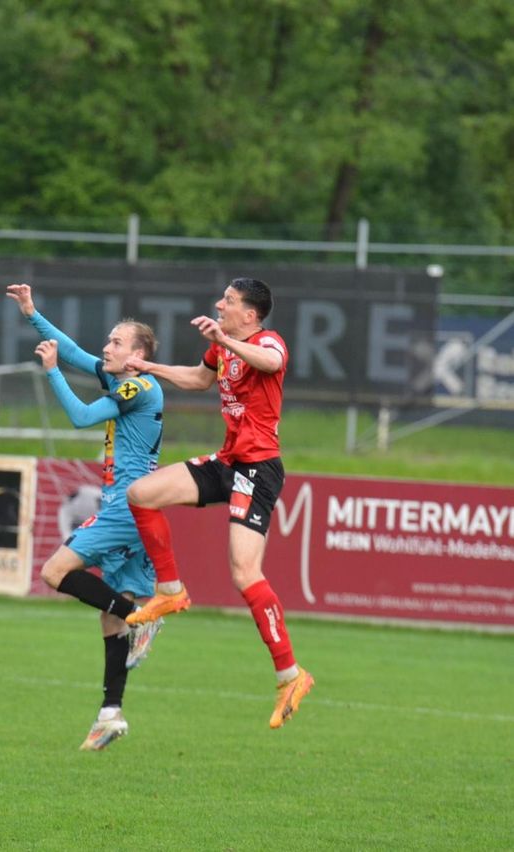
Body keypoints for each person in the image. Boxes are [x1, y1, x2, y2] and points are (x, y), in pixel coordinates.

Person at [123, 278, 315, 729]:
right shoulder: (224, 346)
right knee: (142, 494)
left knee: (245, 574)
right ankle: (171, 592)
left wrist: (224, 339)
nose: (219, 304)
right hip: (228, 461)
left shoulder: (267, 342)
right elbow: (199, 379)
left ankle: (291, 675)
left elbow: (270, 362)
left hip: (258, 469)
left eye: (228, 301)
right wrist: (147, 366)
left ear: (250, 314)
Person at [6, 283, 165, 751]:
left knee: (55, 572)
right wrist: (33, 314)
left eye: (116, 342)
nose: (106, 347)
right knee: (109, 616)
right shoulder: (126, 380)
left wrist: (52, 372)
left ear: (137, 354)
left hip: (127, 508)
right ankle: (110, 712)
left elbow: (79, 416)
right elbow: (75, 350)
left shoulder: (137, 386)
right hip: (137, 509)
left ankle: (143, 617)